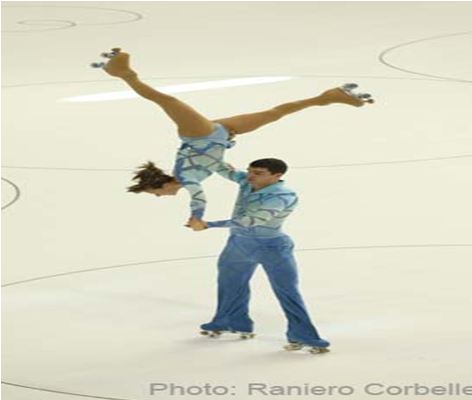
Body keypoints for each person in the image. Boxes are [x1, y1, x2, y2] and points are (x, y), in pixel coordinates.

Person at [96, 48, 373, 220]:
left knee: (166, 100)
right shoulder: (193, 174)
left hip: (199, 134)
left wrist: (196, 217)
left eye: (156, 195)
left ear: (161, 186)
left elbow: (199, 197)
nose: (162, 198)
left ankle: (123, 73)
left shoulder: (188, 179)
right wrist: (248, 179)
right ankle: (330, 96)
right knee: (276, 112)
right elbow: (226, 171)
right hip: (222, 133)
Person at [187, 158, 330, 353]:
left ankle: (303, 335)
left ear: (277, 176)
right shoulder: (248, 181)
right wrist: (210, 148)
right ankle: (232, 321)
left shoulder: (283, 196)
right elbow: (224, 170)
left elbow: (251, 220)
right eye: (249, 171)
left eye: (258, 173)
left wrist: (208, 224)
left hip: (271, 247)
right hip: (238, 244)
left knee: (287, 291)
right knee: (230, 284)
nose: (250, 176)